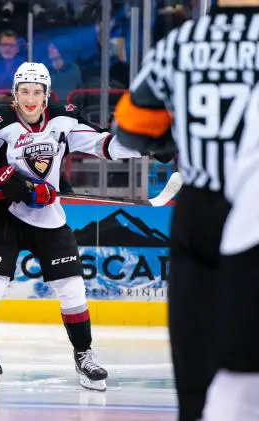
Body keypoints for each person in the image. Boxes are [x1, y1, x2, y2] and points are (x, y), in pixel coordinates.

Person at [0, 62, 143, 392]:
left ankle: (84, 355)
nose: (30, 98)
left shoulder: (63, 118)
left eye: (37, 92)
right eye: (24, 91)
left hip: (49, 218)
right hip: (5, 216)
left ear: (46, 94)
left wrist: (145, 144)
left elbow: (104, 144)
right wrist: (3, 177)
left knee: (72, 289)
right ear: (14, 94)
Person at [113, 1, 259, 420]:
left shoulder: (180, 43)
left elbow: (132, 128)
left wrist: (174, 144)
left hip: (200, 207)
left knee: (194, 356)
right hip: (252, 205)